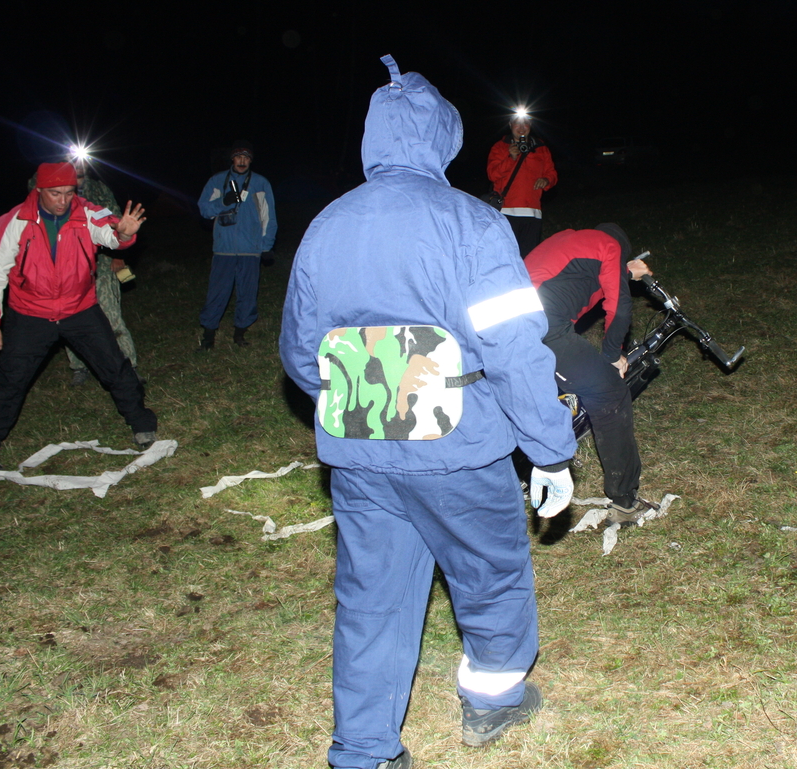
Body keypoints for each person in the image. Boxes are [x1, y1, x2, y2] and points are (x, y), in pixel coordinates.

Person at [279, 56, 577, 769]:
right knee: (490, 572)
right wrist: (551, 449)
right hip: (458, 447)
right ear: (443, 137)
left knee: (371, 596)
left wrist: (366, 394)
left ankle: (363, 749)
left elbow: (298, 352)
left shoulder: (326, 225)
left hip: (361, 450)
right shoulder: (473, 223)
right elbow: (512, 347)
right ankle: (493, 698)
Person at [0, 162, 156, 477]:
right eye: (55, 193)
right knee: (11, 380)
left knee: (115, 366)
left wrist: (124, 234)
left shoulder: (87, 212)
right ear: (39, 190)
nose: (63, 200)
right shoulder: (14, 220)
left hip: (79, 308)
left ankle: (142, 425)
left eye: (69, 192)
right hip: (30, 313)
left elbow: (111, 234)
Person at [524, 224, 652, 524]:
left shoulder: (569, 240)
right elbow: (619, 308)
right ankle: (624, 500)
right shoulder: (609, 246)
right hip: (542, 326)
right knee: (609, 392)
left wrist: (623, 272)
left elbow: (580, 280)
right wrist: (612, 355)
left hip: (501, 324)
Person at [27, 155, 139, 384]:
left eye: (81, 160)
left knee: (111, 317)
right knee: (70, 318)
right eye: (71, 160)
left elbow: (118, 222)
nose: (78, 165)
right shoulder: (52, 186)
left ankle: (129, 366)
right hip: (68, 265)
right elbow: (34, 189)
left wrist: (119, 255)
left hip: (102, 263)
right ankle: (79, 367)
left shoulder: (98, 189)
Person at [197, 141, 276, 349]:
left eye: (246, 157)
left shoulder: (260, 183)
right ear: (232, 159)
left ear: (251, 160)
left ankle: (240, 333)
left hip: (251, 249)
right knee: (217, 293)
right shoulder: (217, 181)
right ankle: (208, 336)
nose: (242, 161)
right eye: (238, 157)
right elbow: (204, 210)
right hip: (223, 249)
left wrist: (266, 246)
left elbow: (269, 217)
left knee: (248, 294)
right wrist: (223, 202)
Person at [487, 112, 557, 257]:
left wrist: (546, 180)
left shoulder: (541, 147)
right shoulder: (500, 147)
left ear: (530, 125)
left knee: (528, 258)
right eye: (517, 123)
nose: (521, 127)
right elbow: (492, 174)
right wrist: (510, 158)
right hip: (506, 211)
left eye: (525, 123)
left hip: (532, 212)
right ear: (510, 125)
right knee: (505, 256)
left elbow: (552, 174)